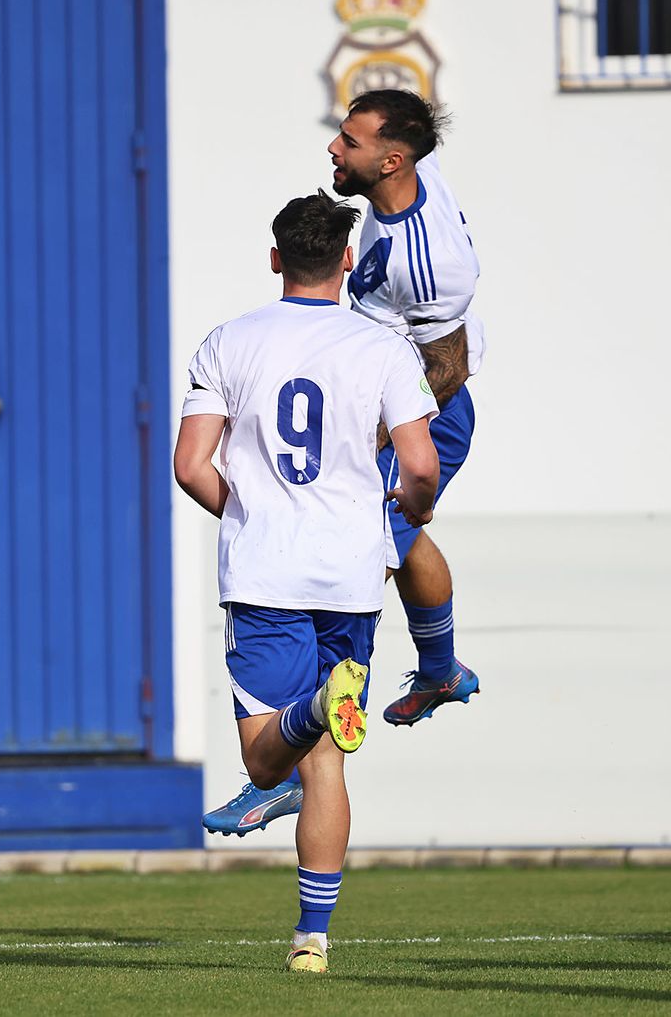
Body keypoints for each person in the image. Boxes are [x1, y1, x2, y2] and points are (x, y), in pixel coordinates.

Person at [203, 89, 483, 838]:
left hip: (424, 412)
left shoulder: (429, 263)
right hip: (386, 407)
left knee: (380, 537)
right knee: (396, 540)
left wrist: (378, 436)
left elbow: (446, 364)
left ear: (391, 160)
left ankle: (287, 773)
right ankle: (438, 669)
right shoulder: (393, 204)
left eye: (349, 141)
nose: (334, 148)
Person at [174, 191, 438, 973]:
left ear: (275, 258)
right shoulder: (384, 347)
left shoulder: (229, 342)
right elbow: (419, 464)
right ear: (348, 261)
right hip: (350, 578)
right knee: (326, 760)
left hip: (265, 572)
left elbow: (191, 465)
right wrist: (411, 506)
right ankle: (311, 939)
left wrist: (248, 512)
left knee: (266, 762)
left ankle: (322, 704)